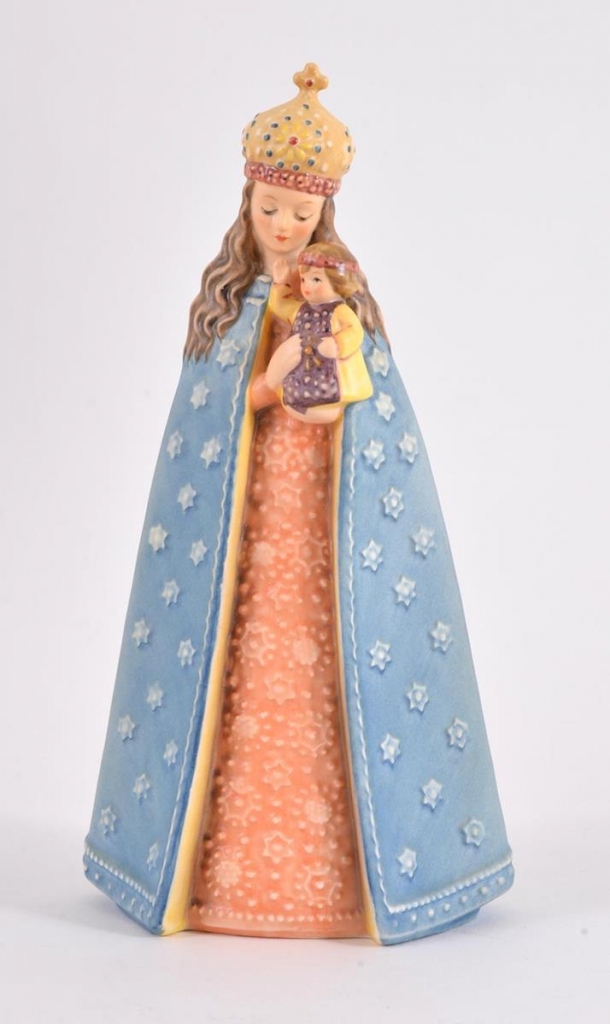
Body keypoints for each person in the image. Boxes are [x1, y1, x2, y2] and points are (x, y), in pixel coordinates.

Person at [84, 63, 514, 944]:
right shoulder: (229, 311)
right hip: (242, 531)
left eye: (301, 215)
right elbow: (206, 421)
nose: (283, 227)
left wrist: (334, 382)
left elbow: (380, 420)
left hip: (328, 525)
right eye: (270, 208)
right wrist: (267, 387)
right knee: (239, 662)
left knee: (328, 666)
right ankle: (208, 867)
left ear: (325, 219)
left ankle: (360, 876)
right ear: (247, 203)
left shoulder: (345, 308)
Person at [266, 242, 373, 423]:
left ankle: (327, 409)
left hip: (330, 371)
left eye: (316, 280)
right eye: (303, 280)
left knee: (328, 401)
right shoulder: (301, 309)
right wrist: (280, 282)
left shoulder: (340, 311)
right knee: (294, 396)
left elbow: (354, 331)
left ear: (338, 283)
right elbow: (281, 306)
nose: (307, 286)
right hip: (304, 370)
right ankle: (298, 404)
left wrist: (338, 344)